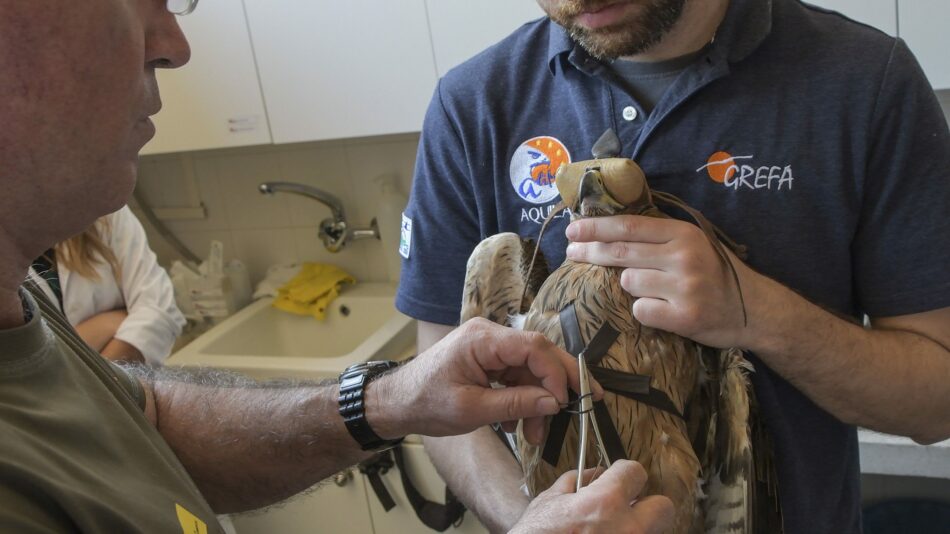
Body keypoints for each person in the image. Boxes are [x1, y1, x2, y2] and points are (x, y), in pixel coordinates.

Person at [0, 0, 674, 532]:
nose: (175, 46)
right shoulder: (474, 100)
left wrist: (384, 402)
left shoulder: (21, 309)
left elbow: (144, 420)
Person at [396, 0, 950, 532]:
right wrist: (534, 525)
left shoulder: (865, 80)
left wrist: (755, 311)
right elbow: (445, 405)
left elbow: (936, 402)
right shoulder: (472, 104)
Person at [29, 206, 185, 365]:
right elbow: (24, 366)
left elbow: (161, 312)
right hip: (58, 388)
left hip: (127, 385)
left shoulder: (107, 209)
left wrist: (93, 381)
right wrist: (109, 323)